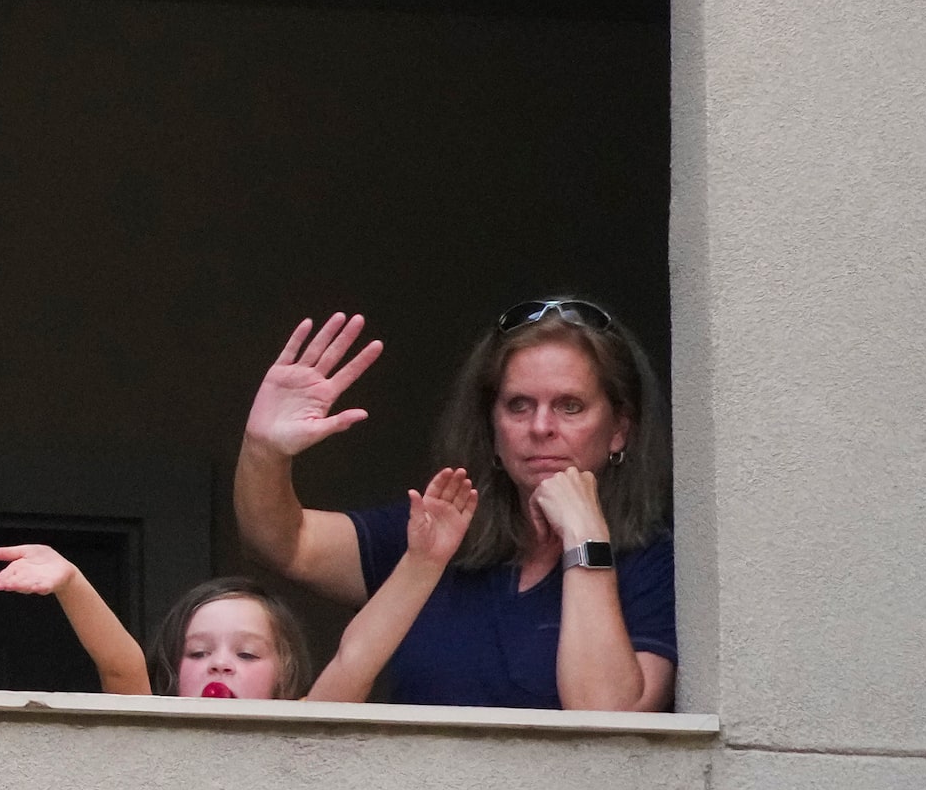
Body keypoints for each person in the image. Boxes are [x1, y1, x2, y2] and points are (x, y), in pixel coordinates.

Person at [229, 301, 677, 711]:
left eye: (570, 406)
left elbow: (608, 724)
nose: (541, 427)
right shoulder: (445, 533)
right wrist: (264, 450)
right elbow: (283, 543)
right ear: (493, 428)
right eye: (518, 405)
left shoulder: (656, 562)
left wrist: (585, 539)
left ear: (619, 429)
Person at [0, 466, 479, 703]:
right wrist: (70, 581)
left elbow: (357, 659)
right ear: (174, 675)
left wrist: (424, 562)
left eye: (247, 654)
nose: (220, 662)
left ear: (285, 677)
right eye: (198, 653)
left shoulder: (303, 729)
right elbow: (122, 664)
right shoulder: (150, 729)